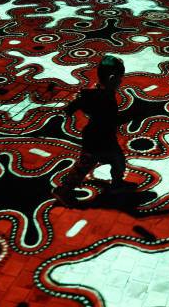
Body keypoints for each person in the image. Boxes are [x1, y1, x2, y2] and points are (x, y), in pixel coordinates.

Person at [53, 55, 127, 206]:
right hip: (99, 138)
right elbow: (110, 119)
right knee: (89, 165)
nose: (121, 81)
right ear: (112, 78)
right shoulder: (104, 97)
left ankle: (117, 183)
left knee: (115, 160)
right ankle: (63, 191)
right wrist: (128, 118)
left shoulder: (96, 91)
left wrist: (70, 108)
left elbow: (81, 100)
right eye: (120, 78)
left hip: (98, 136)